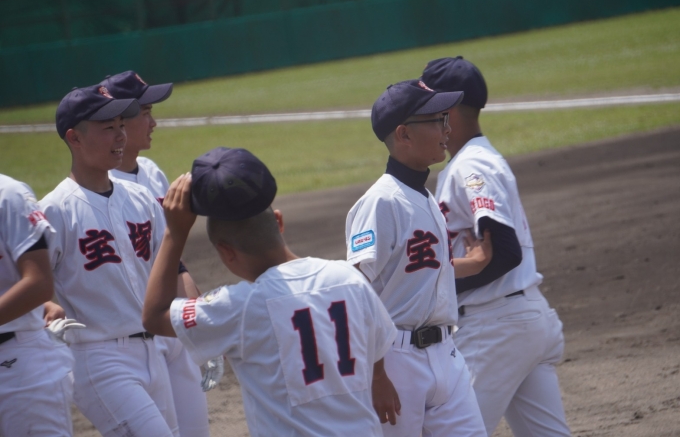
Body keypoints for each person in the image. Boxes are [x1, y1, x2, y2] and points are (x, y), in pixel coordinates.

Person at [142, 147, 399, 436]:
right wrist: (379, 377)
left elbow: (154, 316)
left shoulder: (238, 306)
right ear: (278, 221)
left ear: (226, 252)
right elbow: (378, 344)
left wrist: (174, 233)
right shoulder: (349, 278)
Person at [422, 56, 571, 436]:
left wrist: (439, 286)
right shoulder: (477, 159)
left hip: (495, 327)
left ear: (448, 110)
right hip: (521, 319)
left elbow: (504, 250)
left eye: (427, 108)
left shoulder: (471, 166)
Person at [345, 79, 489, 437]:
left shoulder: (424, 197)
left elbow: (420, 277)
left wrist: (475, 263)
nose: (447, 129)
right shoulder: (381, 202)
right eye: (438, 120)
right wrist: (376, 374)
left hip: (447, 355)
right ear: (404, 134)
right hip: (395, 361)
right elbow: (354, 294)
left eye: (446, 119)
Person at [40, 84, 179, 436]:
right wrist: (45, 306)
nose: (120, 135)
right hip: (99, 359)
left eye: (121, 125)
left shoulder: (141, 198)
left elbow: (168, 269)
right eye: (107, 128)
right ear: (74, 138)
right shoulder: (55, 210)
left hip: (154, 350)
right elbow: (21, 277)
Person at [101, 70, 216, 437]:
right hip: (131, 334)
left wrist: (196, 313)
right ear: (118, 121)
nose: (154, 123)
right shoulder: (102, 187)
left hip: (169, 323)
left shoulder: (151, 173)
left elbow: (170, 252)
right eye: (146, 112)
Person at [0, 173, 76, 436]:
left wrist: (37, 304)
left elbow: (39, 282)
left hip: (17, 368)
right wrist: (43, 306)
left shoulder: (8, 195)